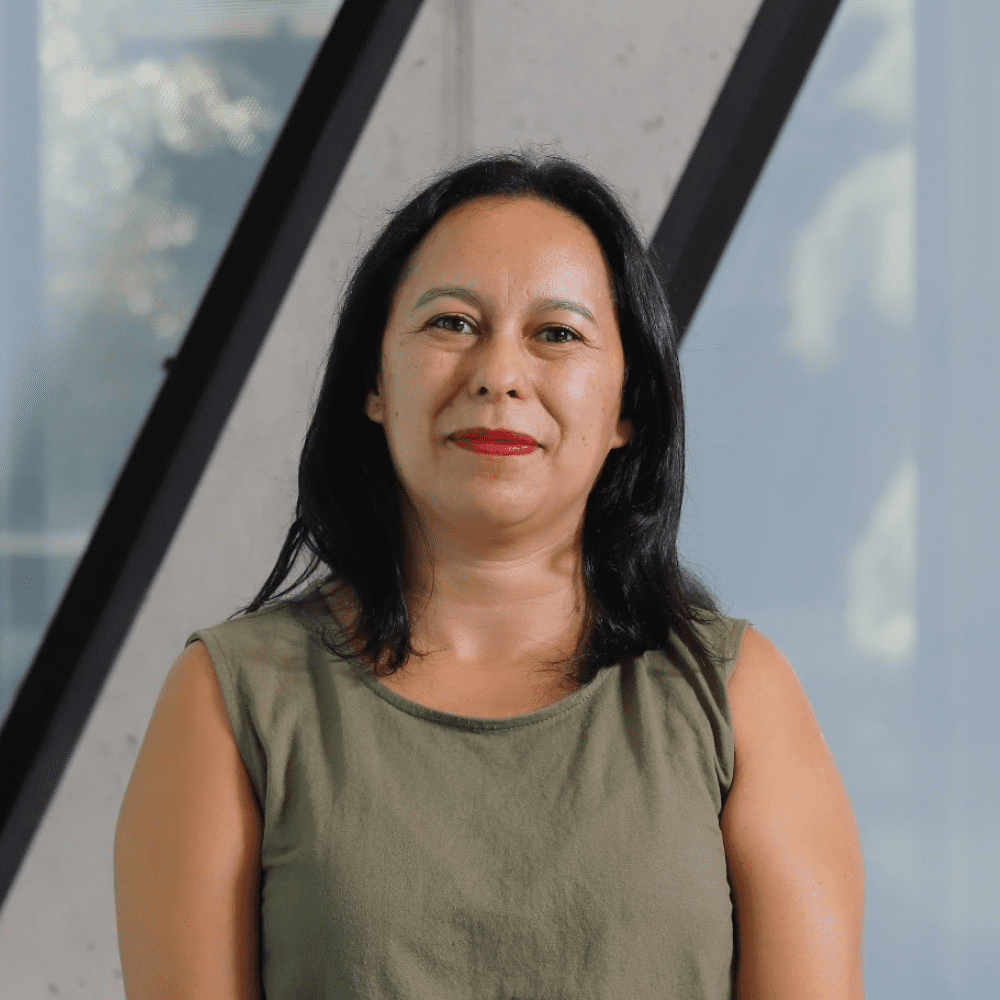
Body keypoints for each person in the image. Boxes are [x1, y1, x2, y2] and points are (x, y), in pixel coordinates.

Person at [113, 152, 865, 999]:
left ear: (627, 405)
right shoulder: (228, 698)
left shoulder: (736, 694)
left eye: (558, 334)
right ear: (374, 382)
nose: (499, 375)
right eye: (452, 324)